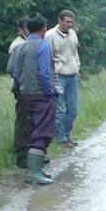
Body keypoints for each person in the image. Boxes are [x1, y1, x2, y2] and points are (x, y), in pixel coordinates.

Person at [7, 14, 57, 185]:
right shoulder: (43, 45)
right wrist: (49, 92)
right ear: (43, 28)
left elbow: (12, 69)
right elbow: (44, 72)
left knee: (28, 128)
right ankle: (33, 172)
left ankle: (33, 168)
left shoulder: (21, 46)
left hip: (24, 94)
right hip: (41, 95)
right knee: (43, 131)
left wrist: (22, 81)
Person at [45, 8, 81, 146]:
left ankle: (67, 134)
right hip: (59, 74)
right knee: (59, 109)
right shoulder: (50, 35)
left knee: (73, 108)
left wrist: (77, 66)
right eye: (67, 22)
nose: (69, 25)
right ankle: (61, 138)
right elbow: (47, 56)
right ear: (60, 21)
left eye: (71, 22)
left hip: (72, 74)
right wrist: (51, 74)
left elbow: (75, 52)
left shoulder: (73, 34)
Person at [8, 17, 32, 168]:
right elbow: (12, 69)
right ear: (22, 30)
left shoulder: (27, 43)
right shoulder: (18, 45)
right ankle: (21, 156)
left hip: (28, 89)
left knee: (31, 122)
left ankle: (31, 154)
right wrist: (23, 80)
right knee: (23, 122)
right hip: (22, 89)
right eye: (28, 29)